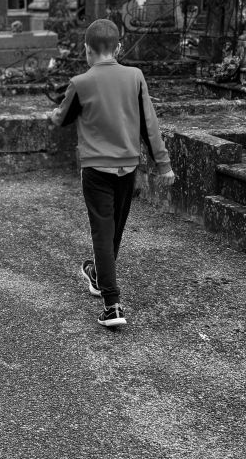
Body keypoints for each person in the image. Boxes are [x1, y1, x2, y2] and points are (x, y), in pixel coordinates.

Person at [50, 19, 175, 329]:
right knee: (114, 230)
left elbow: (62, 118)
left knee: (102, 233)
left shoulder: (81, 82)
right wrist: (164, 164)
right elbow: (150, 124)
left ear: (87, 50)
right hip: (127, 168)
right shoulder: (135, 77)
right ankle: (98, 277)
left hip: (95, 170)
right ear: (118, 48)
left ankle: (112, 304)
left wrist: (52, 114)